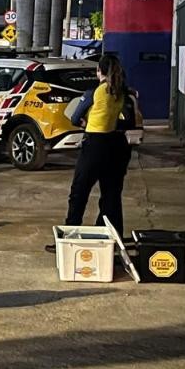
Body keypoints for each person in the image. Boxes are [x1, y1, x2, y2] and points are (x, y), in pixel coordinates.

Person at [65, 54, 131, 236]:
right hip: (115, 145)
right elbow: (128, 120)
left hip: (94, 145)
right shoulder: (122, 93)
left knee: (79, 192)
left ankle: (71, 233)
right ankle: (111, 235)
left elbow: (75, 118)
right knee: (111, 194)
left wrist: (87, 123)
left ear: (99, 71)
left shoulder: (93, 92)